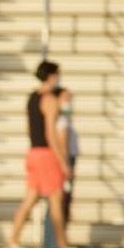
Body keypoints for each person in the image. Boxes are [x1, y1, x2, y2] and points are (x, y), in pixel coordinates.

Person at [0, 61, 84, 248]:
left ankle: (12, 242)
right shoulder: (49, 99)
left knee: (29, 200)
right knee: (56, 201)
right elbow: (51, 133)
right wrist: (62, 161)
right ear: (52, 76)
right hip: (47, 153)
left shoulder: (31, 98)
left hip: (33, 152)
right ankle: (61, 247)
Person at [54, 87, 79, 227]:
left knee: (64, 202)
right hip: (65, 162)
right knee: (62, 203)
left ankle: (59, 241)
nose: (69, 102)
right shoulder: (61, 121)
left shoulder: (66, 120)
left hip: (68, 161)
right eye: (66, 98)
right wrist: (66, 165)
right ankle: (57, 243)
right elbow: (63, 145)